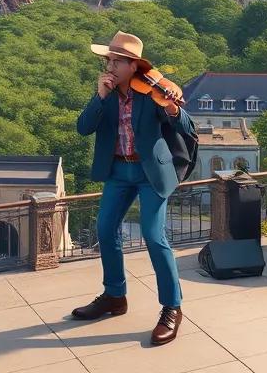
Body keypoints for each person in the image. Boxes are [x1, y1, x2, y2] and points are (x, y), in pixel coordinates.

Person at [72, 32, 196, 347]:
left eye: (117, 61)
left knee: (154, 236)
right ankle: (115, 295)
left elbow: (188, 128)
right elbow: (83, 128)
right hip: (117, 170)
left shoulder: (150, 93)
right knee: (105, 228)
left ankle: (172, 307)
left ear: (133, 66)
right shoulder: (107, 93)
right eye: (108, 60)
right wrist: (99, 97)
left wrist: (172, 108)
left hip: (149, 171)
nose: (110, 65)